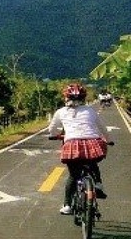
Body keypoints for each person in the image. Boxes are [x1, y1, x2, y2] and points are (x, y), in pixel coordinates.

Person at [46, 82, 112, 214]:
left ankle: (67, 206)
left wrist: (54, 135)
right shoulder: (90, 110)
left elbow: (52, 129)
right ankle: (98, 184)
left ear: (66, 98)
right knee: (92, 164)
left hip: (71, 145)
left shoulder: (60, 112)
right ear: (83, 98)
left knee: (73, 175)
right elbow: (102, 128)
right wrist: (108, 140)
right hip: (93, 143)